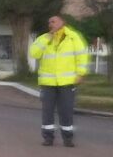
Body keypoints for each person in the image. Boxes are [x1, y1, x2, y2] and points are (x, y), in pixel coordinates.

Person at [29, 15, 89, 147]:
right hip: (48, 83)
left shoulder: (73, 37)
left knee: (66, 111)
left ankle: (68, 138)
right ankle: (48, 138)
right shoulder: (43, 38)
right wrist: (46, 39)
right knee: (47, 112)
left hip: (67, 82)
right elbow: (34, 53)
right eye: (49, 22)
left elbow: (81, 56)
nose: (51, 24)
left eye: (53, 21)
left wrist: (81, 73)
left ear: (62, 22)